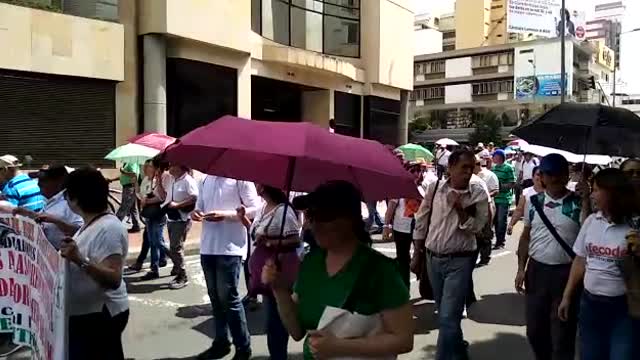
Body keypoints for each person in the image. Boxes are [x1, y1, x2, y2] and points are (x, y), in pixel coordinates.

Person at [262, 181, 413, 360]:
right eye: (310, 216)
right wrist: (279, 290)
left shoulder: (380, 270)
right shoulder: (310, 262)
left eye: (322, 217)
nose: (312, 225)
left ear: (349, 219)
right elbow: (296, 331)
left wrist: (341, 347)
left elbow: (403, 340)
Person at [413, 148, 490, 360]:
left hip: (461, 260)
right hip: (432, 258)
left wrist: (460, 208)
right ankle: (458, 350)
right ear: (451, 168)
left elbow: (478, 227)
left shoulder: (478, 192)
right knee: (445, 315)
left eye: (471, 167)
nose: (468, 172)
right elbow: (421, 219)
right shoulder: (434, 187)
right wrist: (417, 254)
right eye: (463, 167)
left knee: (448, 317)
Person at [558, 168, 640, 360]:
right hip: (590, 305)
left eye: (596, 190)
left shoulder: (635, 226)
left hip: (624, 309)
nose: (592, 194)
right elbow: (580, 260)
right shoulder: (591, 222)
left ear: (611, 192)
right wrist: (567, 296)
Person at [515, 154, 582, 360]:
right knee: (535, 331)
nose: (554, 178)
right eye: (549, 174)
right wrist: (520, 268)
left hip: (567, 274)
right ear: (541, 176)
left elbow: (587, 242)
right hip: (536, 272)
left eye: (559, 173)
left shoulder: (578, 204)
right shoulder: (534, 202)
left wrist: (587, 200)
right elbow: (526, 237)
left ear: (566, 175)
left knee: (563, 333)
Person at [59, 167, 129, 360]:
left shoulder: (110, 229)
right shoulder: (92, 223)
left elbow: (113, 278)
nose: (65, 200)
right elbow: (87, 236)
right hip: (87, 314)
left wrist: (79, 260)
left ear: (76, 199)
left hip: (100, 315)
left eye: (66, 195)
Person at [191, 176, 259, 360]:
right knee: (215, 299)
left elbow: (255, 209)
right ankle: (221, 342)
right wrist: (196, 213)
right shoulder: (205, 180)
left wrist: (227, 215)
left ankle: (243, 347)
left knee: (229, 298)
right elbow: (199, 206)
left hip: (231, 248)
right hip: (208, 247)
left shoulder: (241, 179)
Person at [238, 184, 301, 360]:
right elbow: (256, 235)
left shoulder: (284, 211)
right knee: (271, 322)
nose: (255, 186)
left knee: (277, 322)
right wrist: (243, 220)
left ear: (265, 188)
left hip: (279, 272)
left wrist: (268, 243)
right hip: (264, 273)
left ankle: (278, 356)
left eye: (258, 183)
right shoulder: (264, 208)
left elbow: (295, 239)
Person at [12, 165, 83, 249]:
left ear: (58, 182)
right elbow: (45, 219)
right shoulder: (50, 200)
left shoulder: (70, 202)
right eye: (38, 180)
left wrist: (57, 221)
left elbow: (81, 232)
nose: (38, 184)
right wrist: (29, 213)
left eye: (43, 180)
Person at [383, 162, 425, 287]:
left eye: (419, 171)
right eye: (413, 171)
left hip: (418, 227)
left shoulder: (421, 188)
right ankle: (404, 286)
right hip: (401, 227)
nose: (416, 174)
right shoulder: (398, 189)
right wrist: (386, 226)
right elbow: (390, 208)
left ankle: (424, 283)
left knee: (421, 255)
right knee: (403, 258)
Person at [130, 159, 169, 279]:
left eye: (149, 166)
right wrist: (136, 185)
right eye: (145, 166)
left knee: (157, 242)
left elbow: (163, 198)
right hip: (149, 214)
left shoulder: (161, 179)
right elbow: (141, 195)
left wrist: (147, 200)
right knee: (153, 242)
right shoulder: (146, 180)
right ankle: (155, 267)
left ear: (156, 168)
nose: (146, 168)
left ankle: (174, 256)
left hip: (158, 214)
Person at [162, 164, 198, 289]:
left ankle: (183, 276)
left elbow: (194, 198)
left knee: (175, 247)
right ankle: (177, 269)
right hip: (172, 217)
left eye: (173, 165)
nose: (170, 168)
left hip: (182, 219)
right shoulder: (173, 179)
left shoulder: (188, 181)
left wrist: (178, 205)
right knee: (176, 247)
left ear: (181, 167)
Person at [474, 156, 499, 266]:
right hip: (474, 208)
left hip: (487, 206)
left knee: (485, 231)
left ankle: (485, 257)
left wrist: (485, 195)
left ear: (478, 164)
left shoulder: (490, 175)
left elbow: (496, 190)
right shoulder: (470, 177)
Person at [508, 166, 543, 236]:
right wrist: (511, 224)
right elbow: (519, 210)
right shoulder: (526, 192)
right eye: (538, 175)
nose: (540, 177)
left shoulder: (551, 193)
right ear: (532, 177)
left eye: (543, 175)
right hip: (529, 229)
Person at [492, 149, 516, 250]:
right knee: (495, 221)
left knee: (501, 220)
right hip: (494, 198)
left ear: (500, 157)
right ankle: (496, 239)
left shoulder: (508, 168)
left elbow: (512, 183)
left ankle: (500, 241)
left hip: (504, 198)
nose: (493, 158)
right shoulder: (493, 168)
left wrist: (499, 187)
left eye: (495, 156)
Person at [112, 162, 141, 233]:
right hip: (128, 187)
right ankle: (136, 226)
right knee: (132, 208)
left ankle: (114, 226)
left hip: (129, 187)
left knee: (124, 207)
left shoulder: (132, 163)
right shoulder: (128, 164)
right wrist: (111, 179)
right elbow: (123, 176)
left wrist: (123, 171)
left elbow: (134, 174)